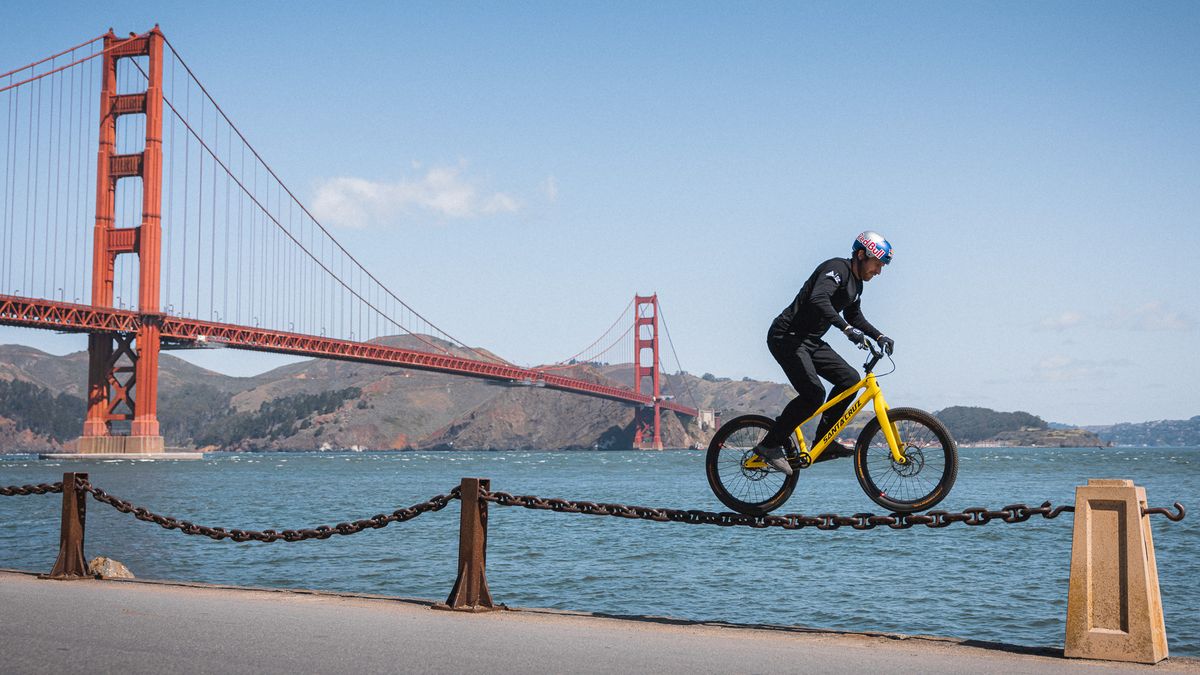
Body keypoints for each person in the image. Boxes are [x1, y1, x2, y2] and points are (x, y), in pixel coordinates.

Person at [753, 231, 896, 476]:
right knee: (813, 393)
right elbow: (818, 298)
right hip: (786, 336)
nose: (879, 272)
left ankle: (824, 442)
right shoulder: (836, 269)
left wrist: (879, 335)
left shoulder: (856, 284)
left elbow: (854, 316)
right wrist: (846, 329)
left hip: (809, 341)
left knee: (849, 380)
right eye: (877, 264)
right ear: (861, 255)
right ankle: (769, 445)